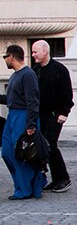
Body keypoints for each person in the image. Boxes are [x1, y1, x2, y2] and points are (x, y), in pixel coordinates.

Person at [0, 45, 45, 200]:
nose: (4, 59)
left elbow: (32, 101)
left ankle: (26, 188)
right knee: (7, 151)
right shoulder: (15, 76)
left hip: (23, 116)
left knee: (21, 153)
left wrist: (31, 124)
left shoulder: (28, 75)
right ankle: (23, 185)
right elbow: (12, 99)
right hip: (13, 116)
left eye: (5, 56)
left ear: (11, 57)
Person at [31, 40, 73, 193]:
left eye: (35, 52)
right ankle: (56, 179)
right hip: (40, 115)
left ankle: (63, 178)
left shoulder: (59, 70)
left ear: (45, 51)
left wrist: (64, 113)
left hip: (55, 115)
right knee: (44, 146)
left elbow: (67, 93)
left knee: (51, 145)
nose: (33, 54)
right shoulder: (35, 70)